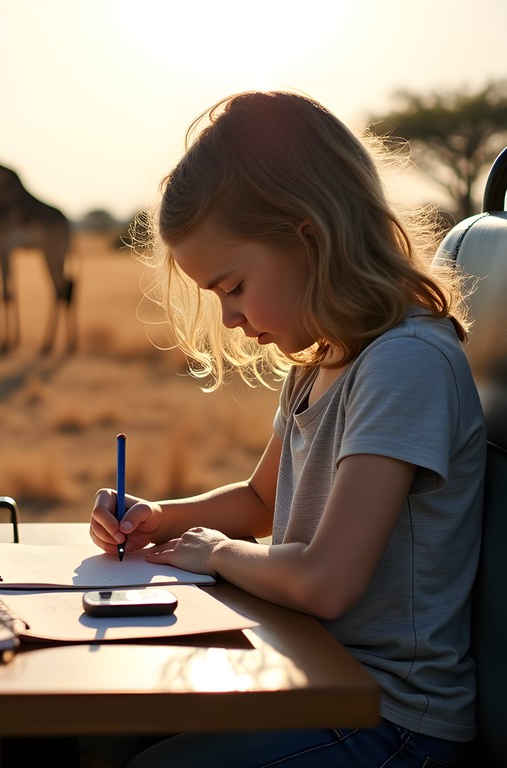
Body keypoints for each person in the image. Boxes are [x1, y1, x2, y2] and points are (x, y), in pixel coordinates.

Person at [87, 91, 485, 767]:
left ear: (308, 237)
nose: (231, 319)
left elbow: (327, 580)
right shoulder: (323, 359)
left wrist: (215, 553)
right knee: (106, 733)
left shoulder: (405, 363)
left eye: (233, 286)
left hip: (389, 718)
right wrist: (160, 519)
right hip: (315, 677)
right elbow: (263, 504)